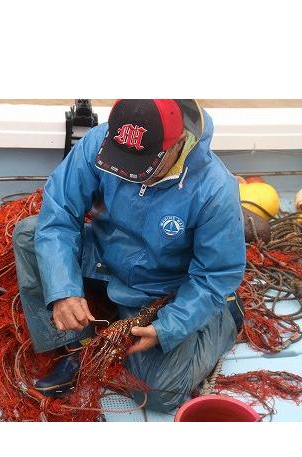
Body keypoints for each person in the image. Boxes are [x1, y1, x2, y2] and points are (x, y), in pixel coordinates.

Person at [13, 99, 246, 413]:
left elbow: (214, 275)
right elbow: (60, 212)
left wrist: (168, 328)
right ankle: (74, 345)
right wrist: (63, 290)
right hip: (103, 254)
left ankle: (225, 318)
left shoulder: (215, 189)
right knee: (29, 234)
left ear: (177, 145)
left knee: (160, 395)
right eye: (122, 161)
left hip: (157, 287)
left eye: (143, 167)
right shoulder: (98, 141)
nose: (130, 174)